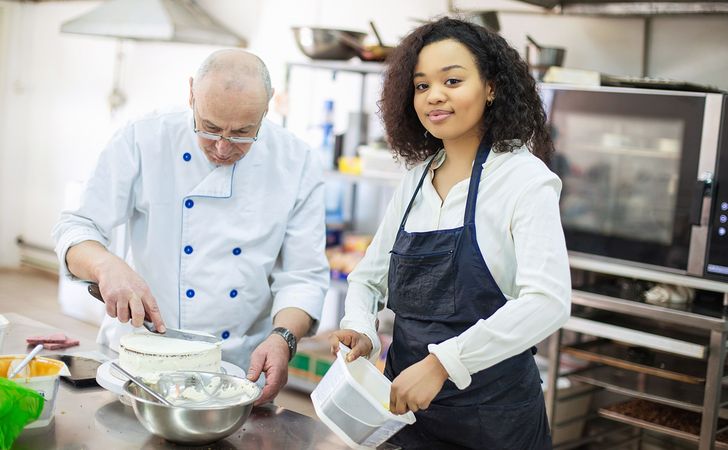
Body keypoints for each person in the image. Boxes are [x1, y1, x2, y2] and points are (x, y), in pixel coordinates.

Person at [329, 17, 571, 449]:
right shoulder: (416, 179)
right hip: (405, 415)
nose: (434, 96)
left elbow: (547, 302)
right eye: (421, 86)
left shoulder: (524, 180)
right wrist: (361, 327)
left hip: (495, 420)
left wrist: (443, 362)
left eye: (453, 80)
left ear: (492, 88)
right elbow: (368, 278)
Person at [53, 49, 329, 405]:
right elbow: (75, 227)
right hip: (140, 360)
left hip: (238, 371)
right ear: (191, 95)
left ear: (267, 108)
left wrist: (283, 338)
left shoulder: (297, 161)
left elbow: (304, 276)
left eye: (243, 132)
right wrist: (106, 266)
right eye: (210, 127)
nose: (222, 147)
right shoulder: (143, 139)